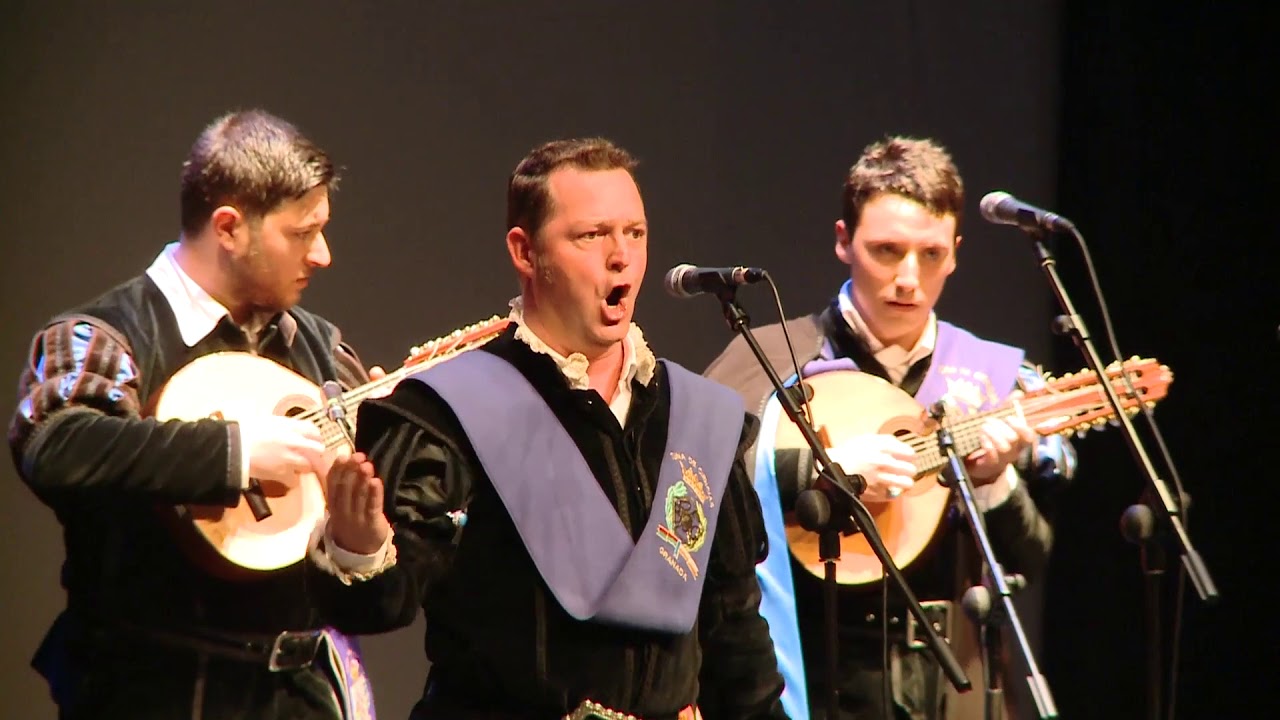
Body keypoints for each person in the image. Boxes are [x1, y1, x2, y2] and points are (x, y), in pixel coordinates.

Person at [306, 137, 788, 718]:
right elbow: (381, 607)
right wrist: (359, 547)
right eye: (591, 235)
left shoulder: (696, 417)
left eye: (634, 233)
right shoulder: (446, 409)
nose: (622, 257)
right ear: (526, 252)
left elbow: (735, 636)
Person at [8, 109, 378, 719]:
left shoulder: (322, 349)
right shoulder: (105, 334)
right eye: (301, 233)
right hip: (155, 693)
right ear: (229, 227)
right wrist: (234, 452)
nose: (323, 255)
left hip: (303, 699)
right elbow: (56, 442)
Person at [702, 136, 1077, 720]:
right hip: (811, 676)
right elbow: (699, 488)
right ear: (843, 242)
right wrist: (825, 473)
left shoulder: (992, 378)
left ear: (954, 252)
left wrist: (991, 482)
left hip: (954, 687)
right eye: (886, 250)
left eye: (930, 254)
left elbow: (1030, 557)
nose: (909, 277)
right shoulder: (771, 356)